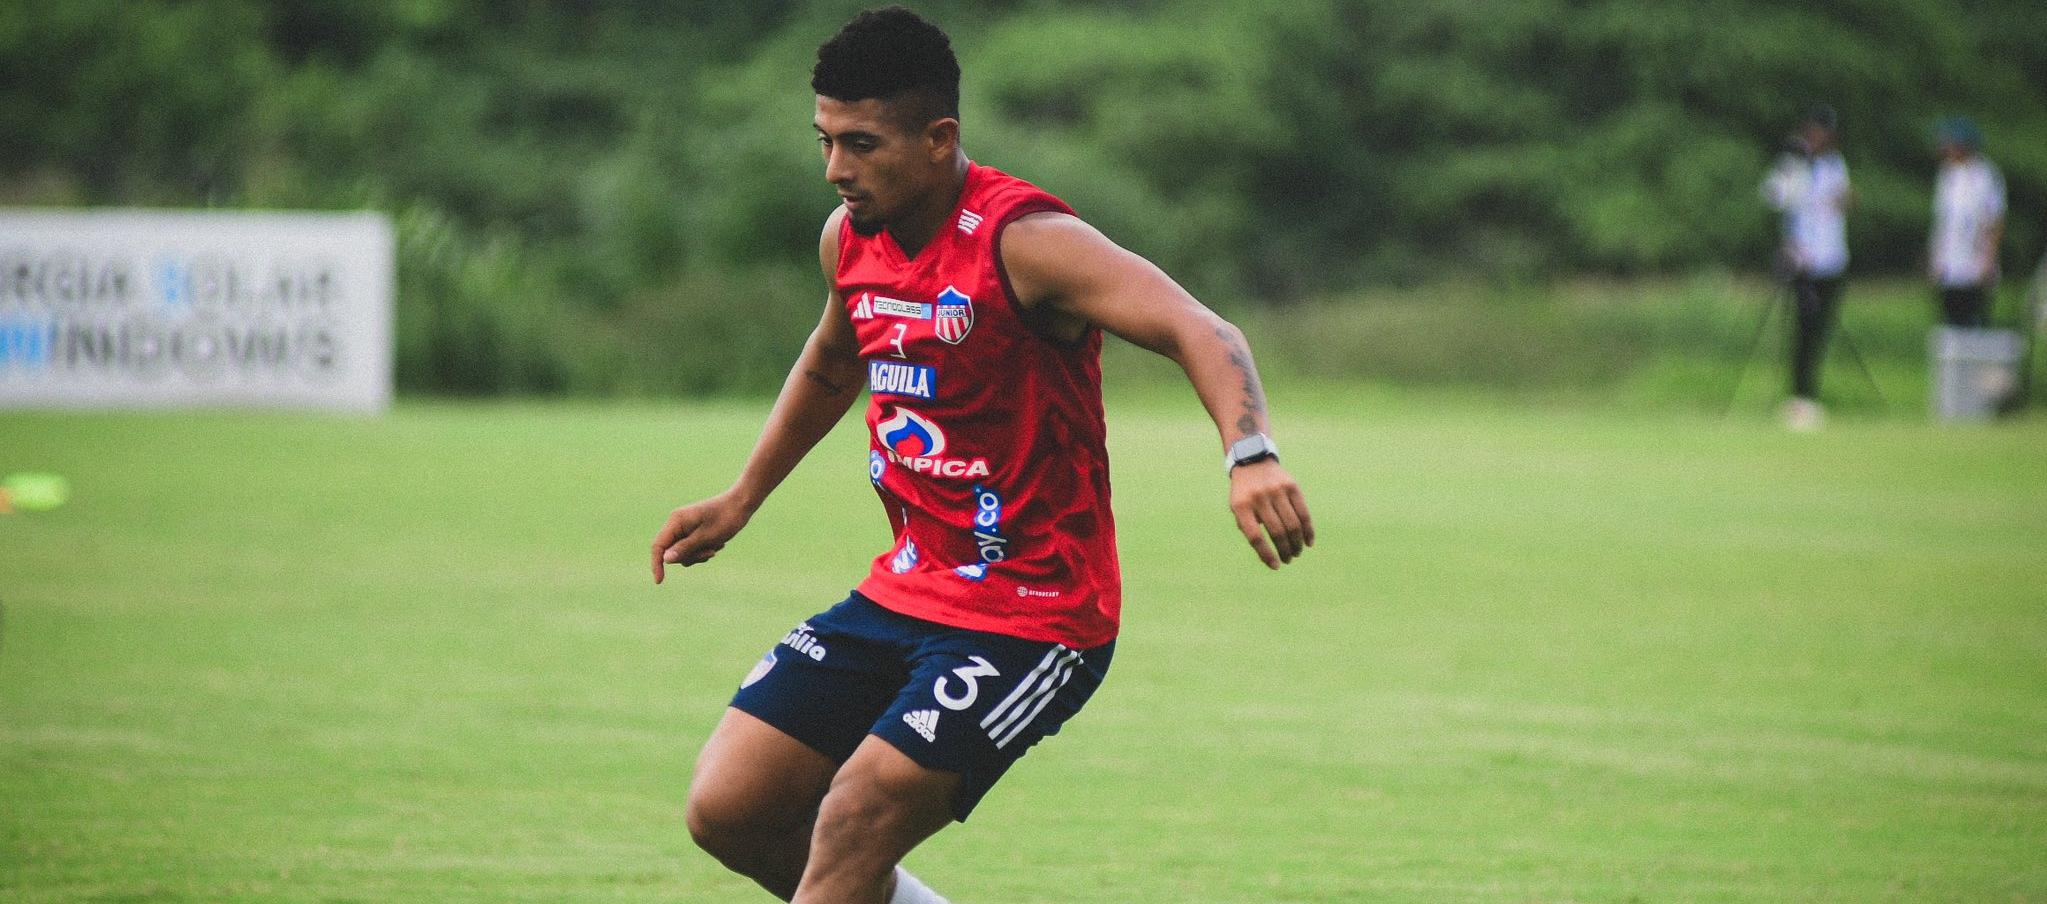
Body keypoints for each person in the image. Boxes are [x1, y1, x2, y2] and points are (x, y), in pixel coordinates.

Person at [648, 8, 1313, 903]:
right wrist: (740, 499)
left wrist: (1251, 453)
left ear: (938, 139)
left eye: (861, 144)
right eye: (825, 141)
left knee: (853, 820)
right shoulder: (850, 238)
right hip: (905, 587)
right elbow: (834, 363)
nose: (836, 168)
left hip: (1033, 612)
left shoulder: (1026, 242)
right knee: (731, 808)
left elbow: (1199, 327)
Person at [1761, 106, 1852, 431]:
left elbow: (1845, 202)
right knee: (1804, 330)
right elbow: (1774, 198)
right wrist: (1793, 167)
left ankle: (1808, 395)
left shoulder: (1835, 165)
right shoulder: (1793, 164)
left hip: (1832, 258)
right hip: (1803, 262)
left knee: (1820, 330)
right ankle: (1799, 397)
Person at [1928, 116, 2006, 328]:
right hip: (1949, 261)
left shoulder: (1986, 176)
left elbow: (1995, 219)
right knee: (1950, 317)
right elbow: (1942, 220)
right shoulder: (1947, 175)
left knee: (1974, 319)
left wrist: (1988, 259)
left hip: (1975, 260)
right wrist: (1935, 257)